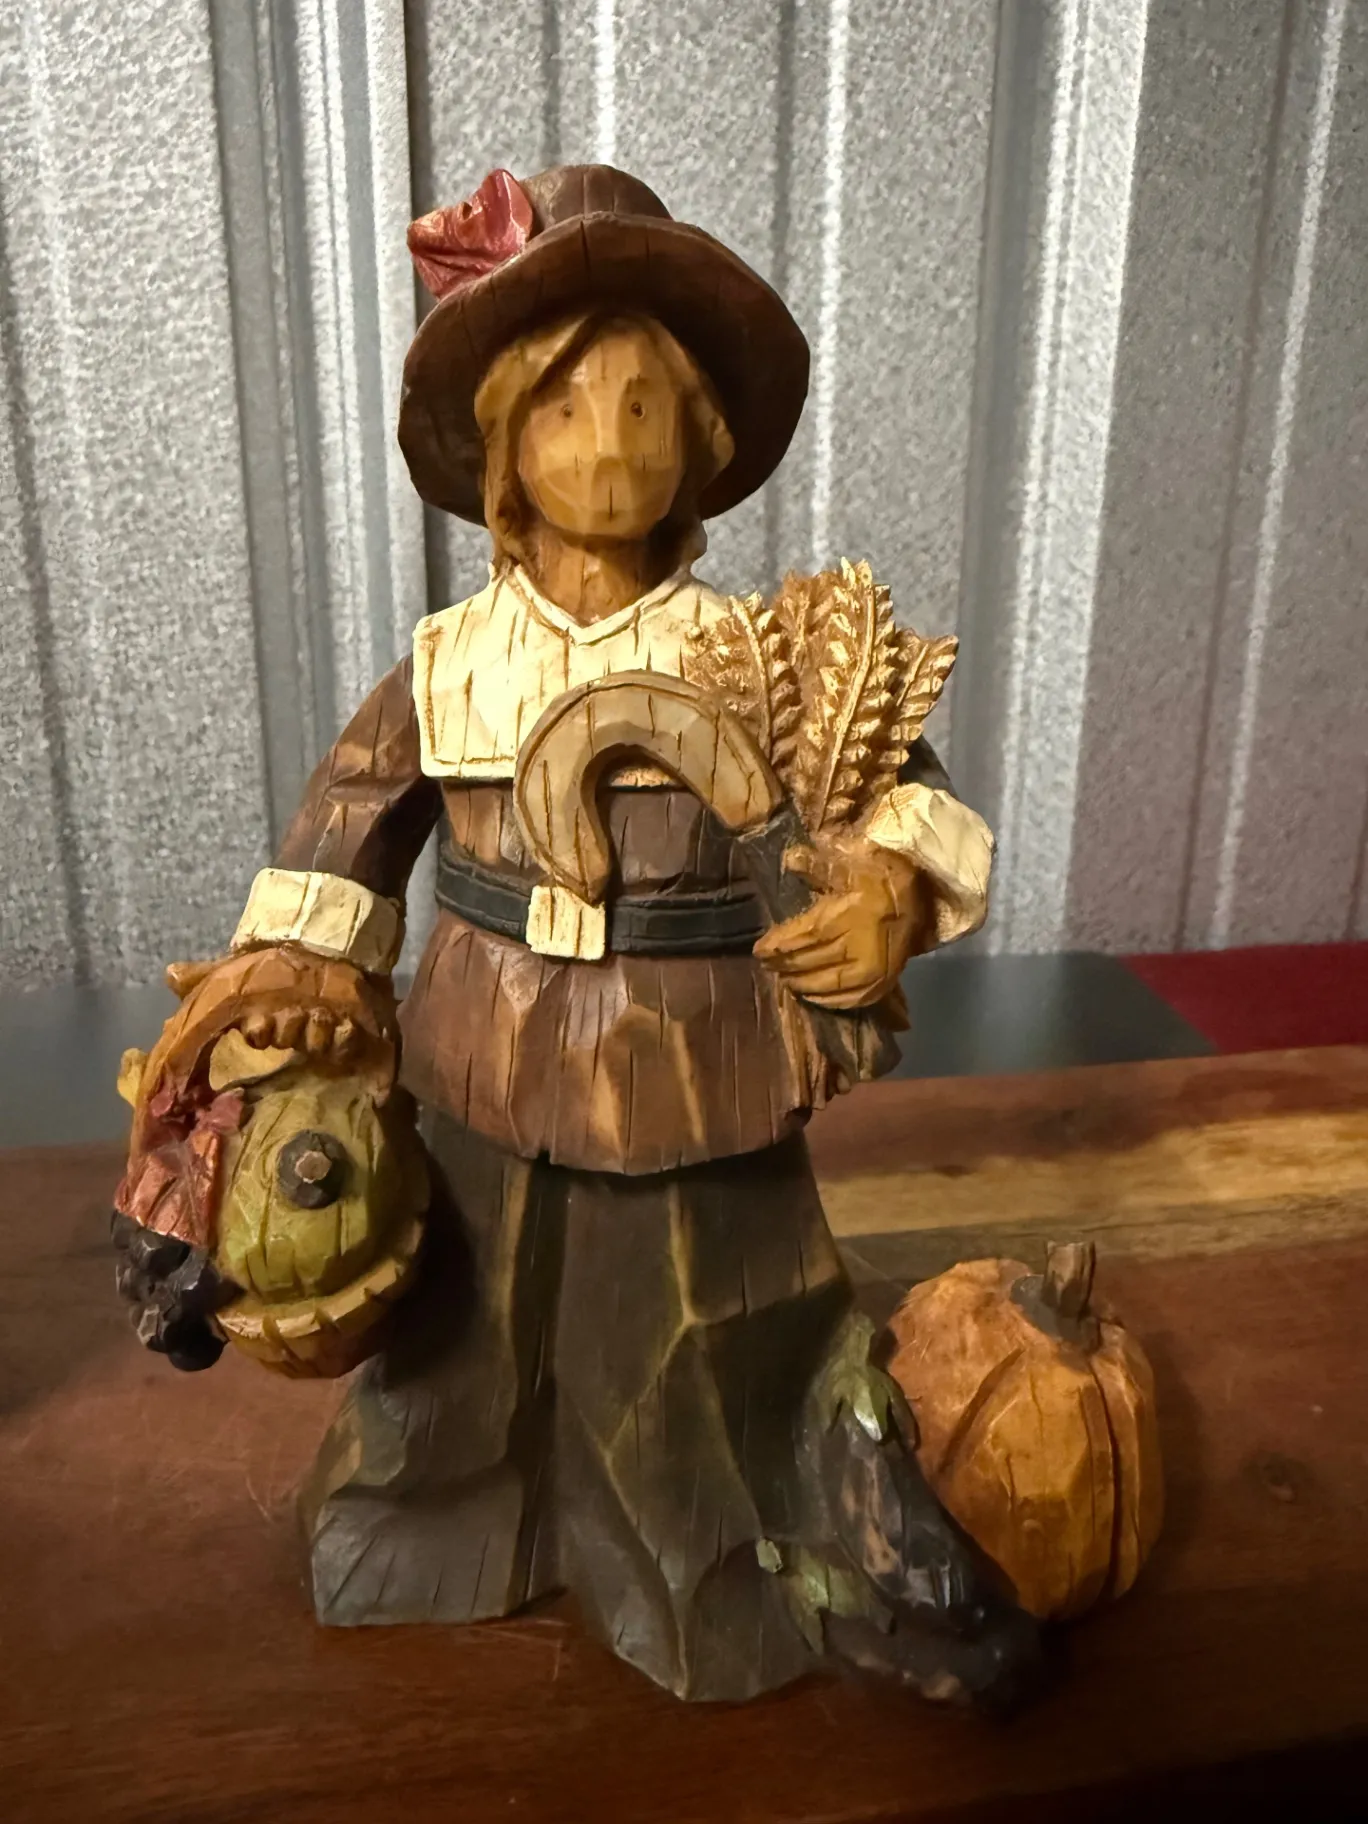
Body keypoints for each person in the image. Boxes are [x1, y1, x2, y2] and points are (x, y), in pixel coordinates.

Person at [115, 165, 1039, 1707]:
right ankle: (443, 1519)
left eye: (640, 406)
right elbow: (346, 834)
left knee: (697, 1327)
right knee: (463, 1321)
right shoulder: (450, 663)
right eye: (562, 406)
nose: (604, 443)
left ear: (702, 441)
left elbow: (906, 806)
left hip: (698, 1056)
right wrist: (301, 980)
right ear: (503, 448)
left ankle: (707, 1560)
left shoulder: (762, 656)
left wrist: (885, 893)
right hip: (482, 1045)